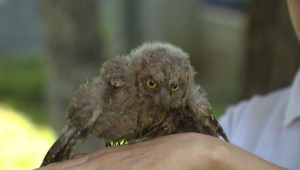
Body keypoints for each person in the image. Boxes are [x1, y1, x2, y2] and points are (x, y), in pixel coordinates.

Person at [37, 0, 300, 169]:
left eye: (174, 89)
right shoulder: (245, 122)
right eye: (151, 84)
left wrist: (217, 156)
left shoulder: (214, 144)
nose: (164, 97)